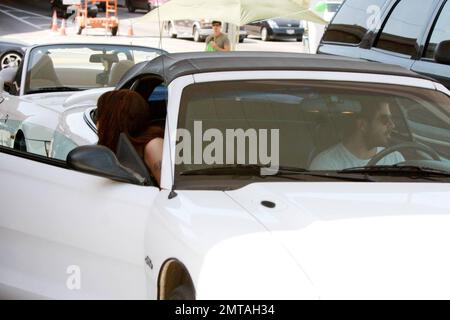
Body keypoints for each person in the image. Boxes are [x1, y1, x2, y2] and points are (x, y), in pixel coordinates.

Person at [309, 101, 405, 170]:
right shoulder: (326, 165)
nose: (392, 125)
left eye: (391, 119)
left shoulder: (395, 158)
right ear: (363, 125)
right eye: (385, 120)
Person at [96, 89, 164, 185]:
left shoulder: (153, 145)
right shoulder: (117, 149)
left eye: (98, 115)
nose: (97, 123)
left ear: (111, 121)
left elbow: (171, 190)